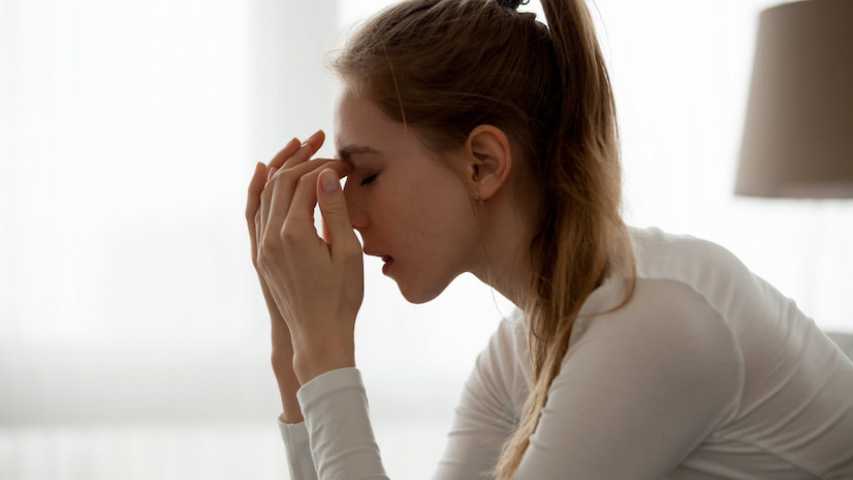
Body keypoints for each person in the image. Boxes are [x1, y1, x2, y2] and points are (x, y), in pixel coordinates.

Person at [244, 0, 853, 478]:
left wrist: (325, 351)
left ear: (481, 163)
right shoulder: (518, 354)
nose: (345, 214)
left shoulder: (654, 324)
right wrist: (295, 354)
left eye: (367, 175)